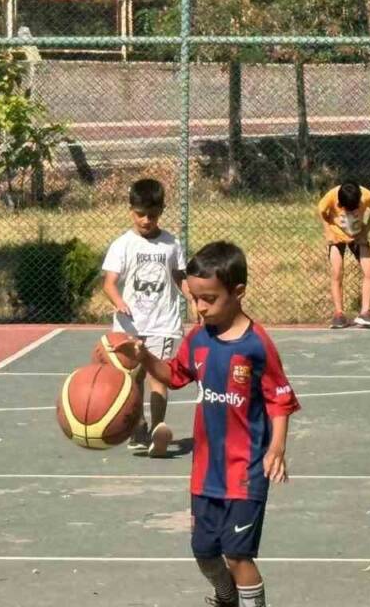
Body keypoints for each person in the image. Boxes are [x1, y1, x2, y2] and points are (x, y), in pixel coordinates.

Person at [122, 241, 300, 607]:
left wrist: (277, 447)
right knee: (204, 551)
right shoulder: (199, 338)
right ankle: (226, 598)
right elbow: (172, 376)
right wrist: (144, 357)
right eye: (195, 298)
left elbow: (279, 399)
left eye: (209, 299)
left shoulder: (256, 345)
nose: (200, 308)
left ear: (237, 293)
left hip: (245, 471)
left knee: (237, 555)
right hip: (205, 471)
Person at [100, 177, 192, 456]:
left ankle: (157, 429)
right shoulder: (123, 244)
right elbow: (109, 282)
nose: (146, 220)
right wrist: (119, 302)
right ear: (131, 211)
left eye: (152, 215)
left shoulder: (171, 244)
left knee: (159, 376)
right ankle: (138, 426)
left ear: (161, 211)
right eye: (140, 214)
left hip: (163, 322)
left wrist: (195, 300)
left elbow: (179, 278)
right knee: (133, 377)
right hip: (131, 324)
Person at [317, 181, 370, 329]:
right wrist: (328, 231)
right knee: (337, 271)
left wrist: (366, 230)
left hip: (357, 235)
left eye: (354, 209)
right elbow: (321, 211)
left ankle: (365, 312)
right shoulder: (331, 196)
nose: (351, 212)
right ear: (339, 203)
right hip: (336, 236)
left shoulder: (367, 196)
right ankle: (339, 314)